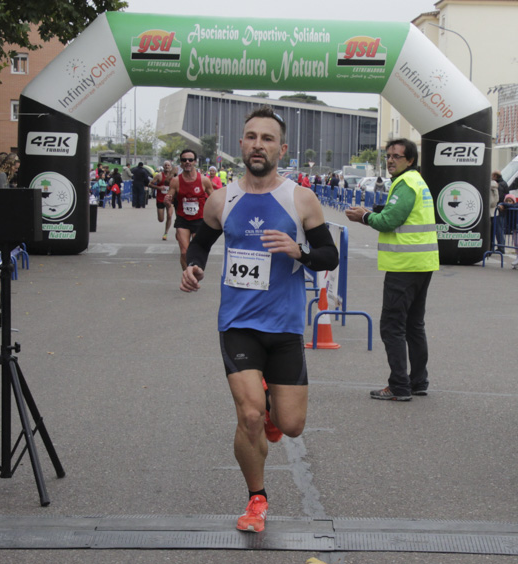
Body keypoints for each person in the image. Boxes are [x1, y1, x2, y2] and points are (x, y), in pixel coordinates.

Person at [180, 105, 338, 533]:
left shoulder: (299, 198)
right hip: (238, 323)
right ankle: (256, 499)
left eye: (267, 139)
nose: (257, 145)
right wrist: (193, 266)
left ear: (281, 149)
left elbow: (330, 255)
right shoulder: (222, 198)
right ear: (241, 144)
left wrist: (299, 252)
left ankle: (272, 414)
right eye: (251, 136)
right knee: (247, 415)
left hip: (284, 326)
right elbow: (201, 242)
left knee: (291, 424)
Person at [344, 138, 439, 402]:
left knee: (392, 326)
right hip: (421, 263)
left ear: (410, 160)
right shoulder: (416, 181)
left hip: (405, 265)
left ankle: (399, 385)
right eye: (388, 156)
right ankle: (418, 381)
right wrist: (373, 211)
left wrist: (364, 216)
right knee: (413, 325)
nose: (390, 160)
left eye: (397, 156)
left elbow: (390, 220)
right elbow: (399, 212)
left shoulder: (406, 183)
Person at [166, 149, 214, 269]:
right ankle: (187, 275)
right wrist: (167, 202)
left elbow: (213, 198)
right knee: (184, 252)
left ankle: (195, 272)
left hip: (200, 220)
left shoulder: (204, 180)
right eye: (184, 160)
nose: (187, 162)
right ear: (181, 163)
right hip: (183, 220)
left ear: (195, 162)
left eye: (190, 160)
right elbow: (169, 199)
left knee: (197, 252)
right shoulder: (176, 181)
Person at [153, 161, 174, 240]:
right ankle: (165, 229)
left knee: (169, 215)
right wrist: (159, 187)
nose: (167, 166)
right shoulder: (159, 175)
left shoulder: (174, 176)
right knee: (161, 219)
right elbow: (150, 184)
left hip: (170, 199)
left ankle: (166, 233)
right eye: (165, 165)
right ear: (163, 166)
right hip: (160, 199)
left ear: (170, 166)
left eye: (168, 165)